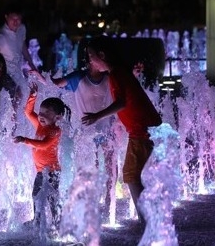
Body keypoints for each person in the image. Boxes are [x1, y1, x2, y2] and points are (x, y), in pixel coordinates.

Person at [81, 36, 162, 224]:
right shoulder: (119, 73)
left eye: (91, 56)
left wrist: (96, 116)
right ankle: (150, 216)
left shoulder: (116, 74)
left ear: (102, 55)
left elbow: (121, 102)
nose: (89, 61)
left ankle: (148, 220)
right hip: (145, 128)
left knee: (131, 175)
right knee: (134, 174)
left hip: (141, 131)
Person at [30, 64, 117, 222]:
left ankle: (109, 201)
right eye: (89, 56)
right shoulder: (79, 77)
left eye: (94, 55)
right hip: (85, 131)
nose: (92, 61)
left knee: (110, 166)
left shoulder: (111, 78)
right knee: (91, 166)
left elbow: (122, 92)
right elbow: (54, 85)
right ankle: (87, 205)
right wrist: (39, 77)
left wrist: (134, 74)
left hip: (106, 128)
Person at [13, 82, 71, 232]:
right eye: (41, 112)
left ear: (57, 117)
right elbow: (27, 112)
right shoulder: (40, 125)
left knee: (52, 198)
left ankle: (58, 223)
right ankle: (37, 220)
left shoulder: (55, 131)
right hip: (41, 171)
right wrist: (32, 97)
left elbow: (43, 145)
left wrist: (25, 140)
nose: (41, 116)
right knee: (35, 195)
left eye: (46, 114)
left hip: (52, 171)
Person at [0, 4, 37, 88]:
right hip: (6, 75)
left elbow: (23, 46)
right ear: (6, 17)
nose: (16, 22)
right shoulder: (1, 36)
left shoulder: (22, 29)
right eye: (13, 19)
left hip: (18, 72)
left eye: (18, 19)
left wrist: (32, 65)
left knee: (27, 93)